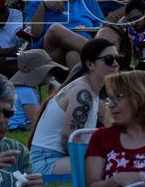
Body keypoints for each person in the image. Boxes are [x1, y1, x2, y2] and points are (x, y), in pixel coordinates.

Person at [28, 38, 121, 176]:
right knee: (113, 164)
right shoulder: (83, 93)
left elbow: (112, 124)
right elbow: (69, 139)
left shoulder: (91, 91)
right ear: (90, 64)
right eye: (108, 59)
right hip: (47, 160)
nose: (115, 64)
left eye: (117, 58)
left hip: (54, 157)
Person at [8, 49, 65, 132]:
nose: (51, 75)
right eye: (49, 71)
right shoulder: (26, 91)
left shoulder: (26, 89)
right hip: (19, 128)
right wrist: (54, 95)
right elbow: (36, 120)